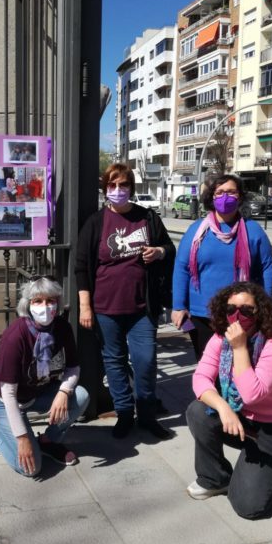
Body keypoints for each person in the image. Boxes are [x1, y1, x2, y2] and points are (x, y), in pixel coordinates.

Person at [75, 162, 175, 439]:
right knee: (114, 361)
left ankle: (146, 415)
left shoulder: (148, 217)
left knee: (146, 360)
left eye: (123, 185)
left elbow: (170, 249)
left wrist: (158, 252)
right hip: (106, 308)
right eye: (112, 185)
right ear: (105, 188)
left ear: (131, 187)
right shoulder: (96, 222)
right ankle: (124, 414)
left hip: (142, 308)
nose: (118, 190)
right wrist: (86, 306)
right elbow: (81, 266)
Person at [186, 282, 272, 519]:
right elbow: (200, 378)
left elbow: (252, 394)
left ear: (260, 311)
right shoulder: (220, 339)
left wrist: (239, 348)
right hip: (241, 420)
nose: (238, 316)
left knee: (247, 507)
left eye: (247, 310)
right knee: (198, 411)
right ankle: (215, 478)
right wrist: (223, 407)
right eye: (231, 309)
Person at [0, 277, 90, 476]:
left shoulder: (62, 327)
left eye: (50, 301)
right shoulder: (15, 335)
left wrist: (63, 392)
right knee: (30, 468)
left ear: (57, 303)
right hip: (3, 399)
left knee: (81, 396)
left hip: (37, 392)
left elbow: (73, 367)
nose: (45, 306)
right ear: (28, 304)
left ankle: (48, 441)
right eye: (38, 301)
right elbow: (8, 392)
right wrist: (22, 438)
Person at [171, 174, 272, 363]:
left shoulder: (253, 230)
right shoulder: (196, 231)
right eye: (219, 192)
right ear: (211, 197)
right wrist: (179, 305)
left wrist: (265, 305)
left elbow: (266, 268)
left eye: (231, 192)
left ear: (240, 197)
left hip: (242, 314)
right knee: (208, 368)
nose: (225, 197)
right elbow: (181, 267)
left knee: (240, 367)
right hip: (203, 315)